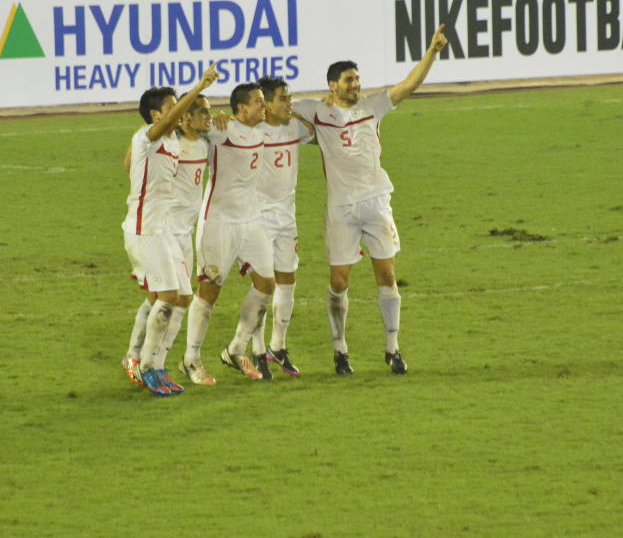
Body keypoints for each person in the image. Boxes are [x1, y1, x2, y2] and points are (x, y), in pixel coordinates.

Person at [291, 26, 448, 376]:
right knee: (339, 281)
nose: (356, 84)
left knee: (387, 274)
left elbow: (409, 85)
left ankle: (392, 348)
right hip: (341, 209)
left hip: (377, 202)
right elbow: (278, 107)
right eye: (349, 80)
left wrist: (432, 52)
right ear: (333, 84)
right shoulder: (315, 111)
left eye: (357, 78)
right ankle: (340, 350)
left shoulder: (373, 105)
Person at [121, 64, 220, 397]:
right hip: (145, 228)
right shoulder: (147, 136)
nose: (177, 111)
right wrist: (200, 86)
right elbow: (158, 131)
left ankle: (157, 365)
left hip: (164, 229)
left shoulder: (172, 142)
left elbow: (128, 166)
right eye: (170, 106)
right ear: (154, 115)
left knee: (181, 297)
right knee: (164, 297)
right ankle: (144, 365)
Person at [181, 83, 272, 383]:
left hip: (250, 220)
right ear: (241, 108)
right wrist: (212, 119)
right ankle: (191, 359)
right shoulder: (222, 130)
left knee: (266, 284)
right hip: (218, 222)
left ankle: (236, 348)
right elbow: (189, 125)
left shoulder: (261, 129)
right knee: (209, 292)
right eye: (258, 102)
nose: (264, 106)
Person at [248, 76, 315, 380]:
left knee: (287, 279)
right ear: (266, 103)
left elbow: (316, 134)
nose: (290, 103)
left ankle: (278, 346)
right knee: (263, 286)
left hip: (287, 217)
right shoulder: (251, 131)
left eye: (290, 97)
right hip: (257, 219)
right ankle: (257, 349)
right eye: (283, 99)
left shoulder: (294, 127)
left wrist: (299, 115)